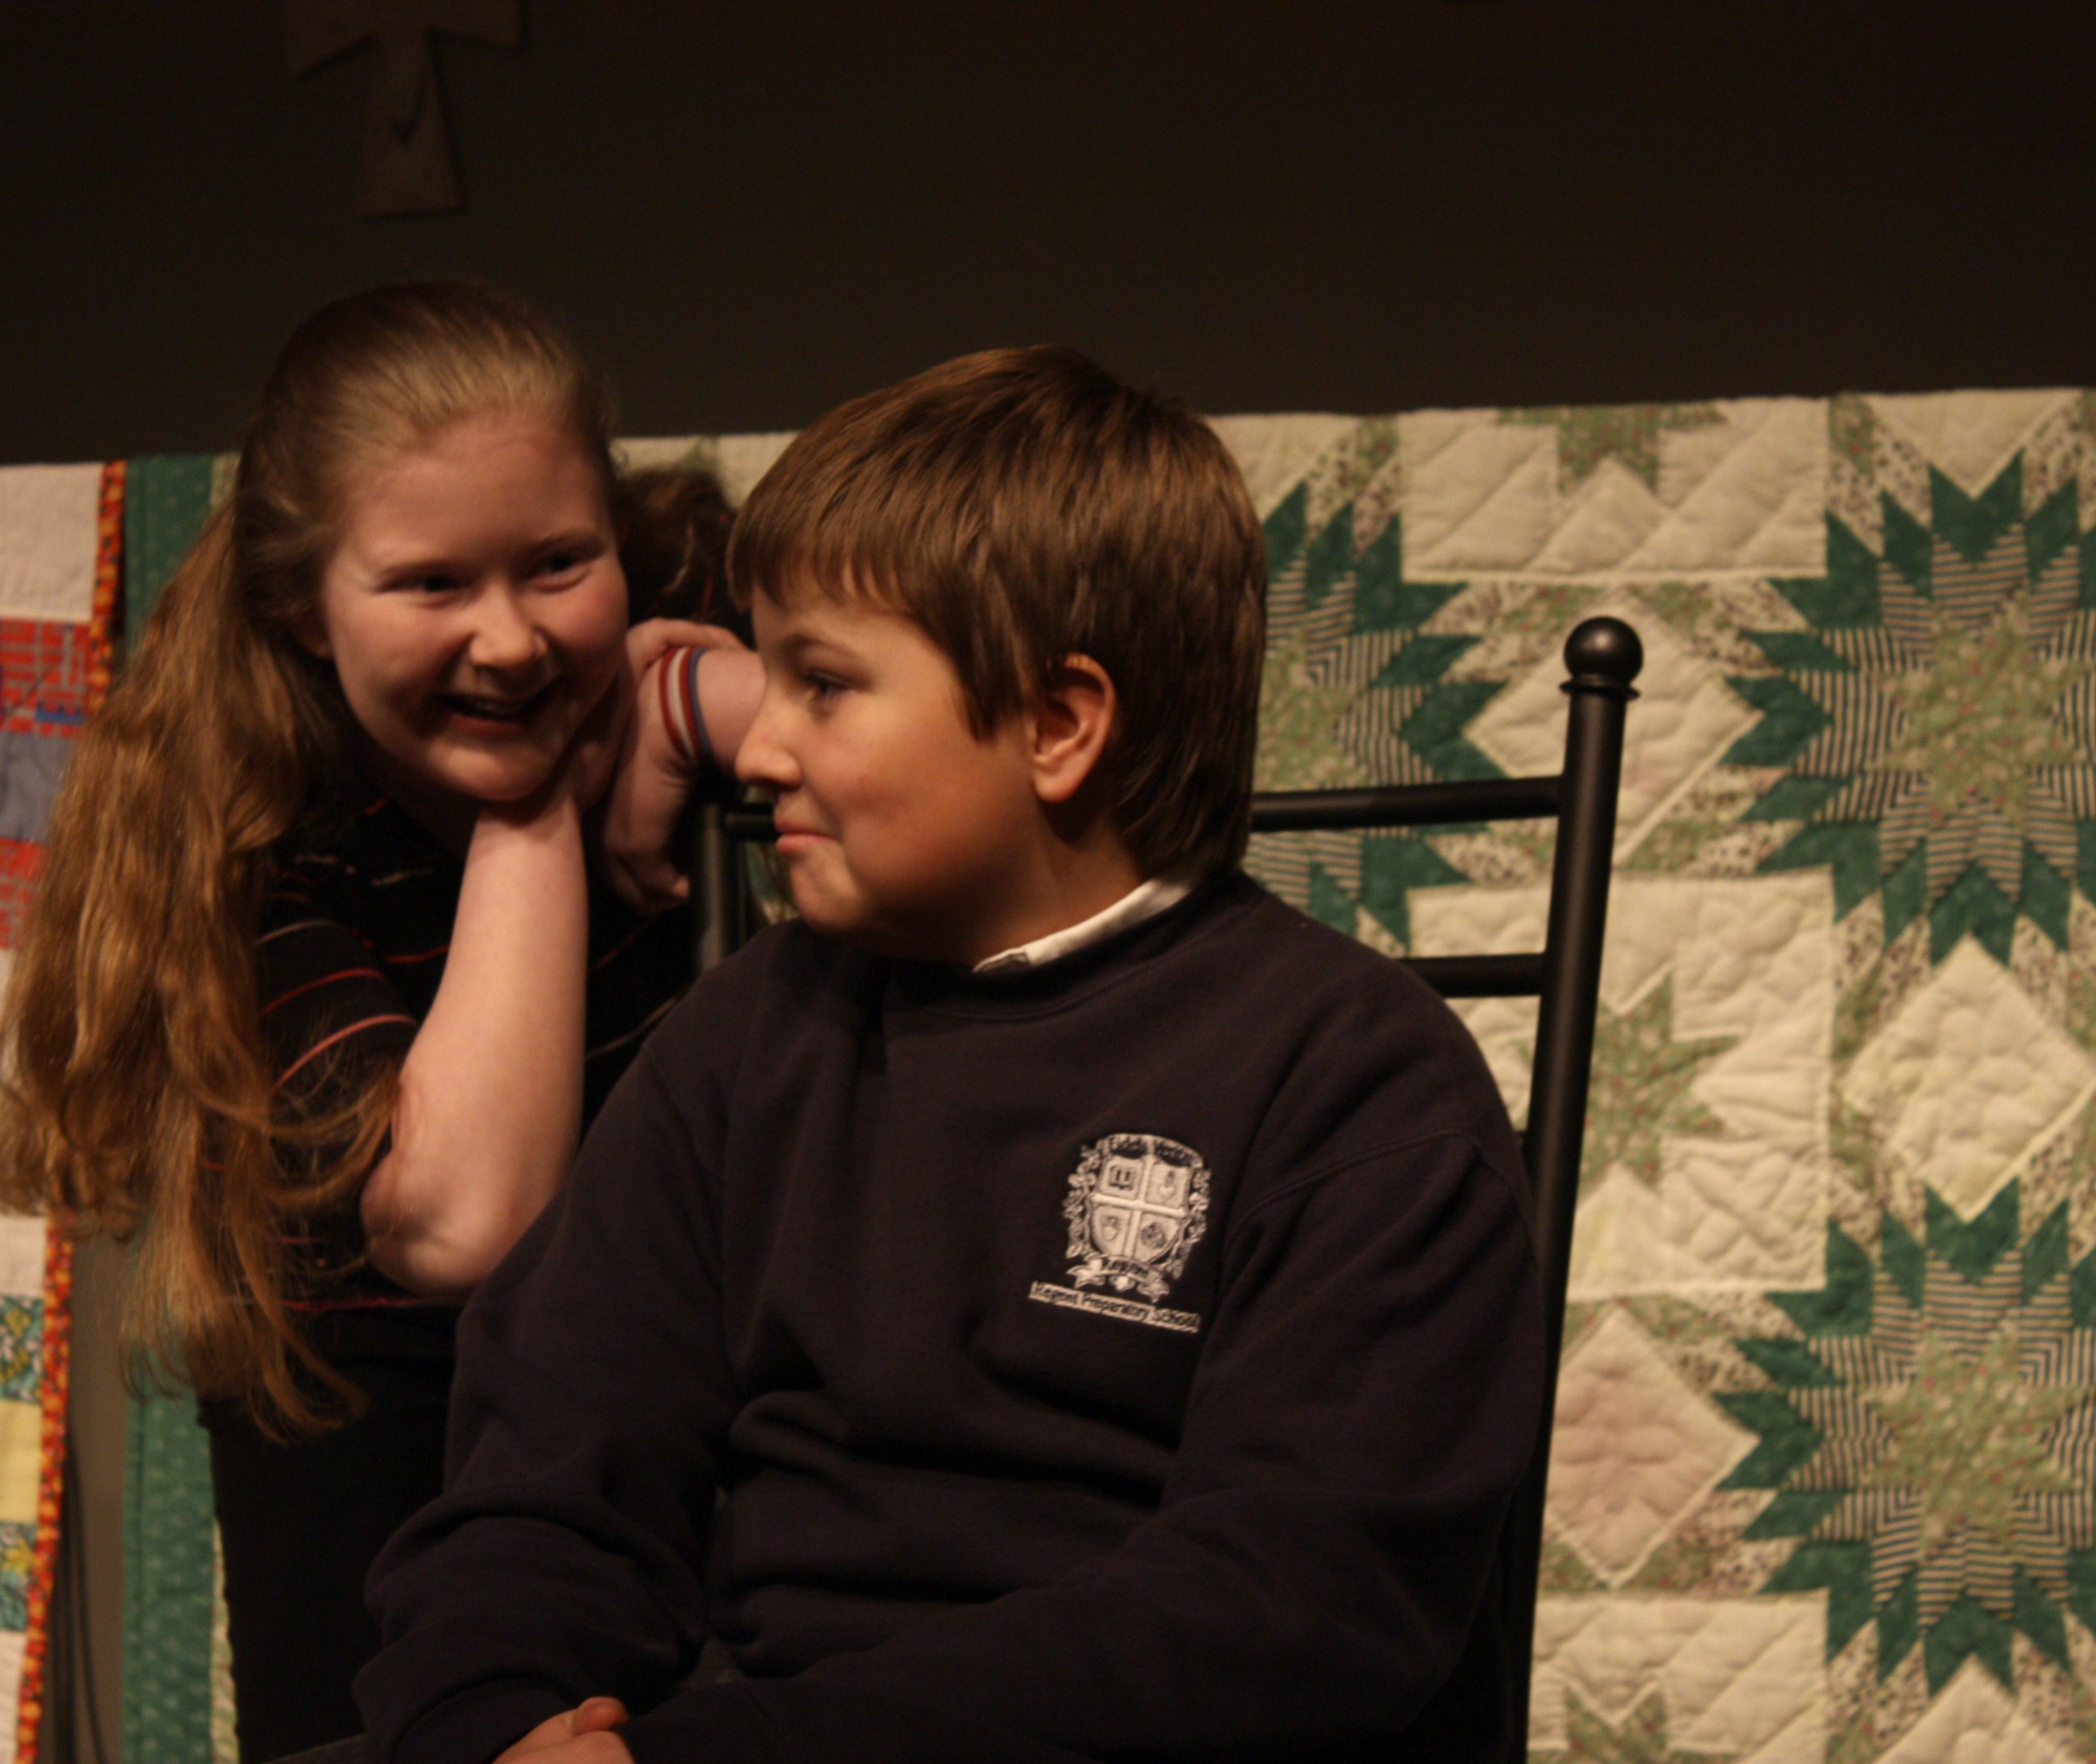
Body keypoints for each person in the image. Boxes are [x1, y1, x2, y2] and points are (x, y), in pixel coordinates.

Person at [358, 346, 1548, 1763]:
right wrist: (492, 1723)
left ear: (1055, 725)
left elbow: (1289, 1612)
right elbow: (548, 1480)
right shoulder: (747, 1036)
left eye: (821, 684)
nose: (758, 749)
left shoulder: (1359, 1082)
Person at [0, 282, 765, 1760]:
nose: (510, 640)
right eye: (428, 584)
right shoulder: (248, 835)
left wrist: (699, 689)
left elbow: (901, 746)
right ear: (302, 607)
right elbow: (468, 1224)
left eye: (558, 563)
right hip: (376, 1404)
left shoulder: (691, 588)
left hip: (671, 1362)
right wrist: (532, 813)